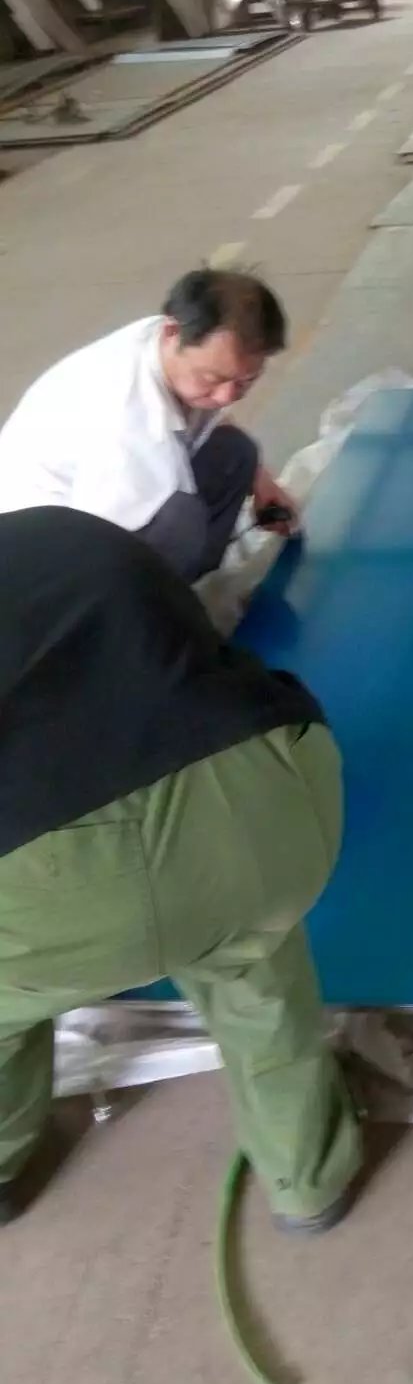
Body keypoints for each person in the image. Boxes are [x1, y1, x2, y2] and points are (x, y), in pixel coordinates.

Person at [0, 506, 361, 1233]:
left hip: (51, 895)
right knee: (254, 962)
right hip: (263, 809)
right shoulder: (61, 530)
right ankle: (307, 1179)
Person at [0, 269, 299, 584]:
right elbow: (100, 550)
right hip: (35, 557)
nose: (226, 396)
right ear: (172, 332)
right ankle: (166, 601)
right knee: (180, 519)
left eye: (245, 381)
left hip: (84, 515)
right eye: (212, 379)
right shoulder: (126, 422)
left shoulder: (164, 339)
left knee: (238, 452)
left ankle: (188, 582)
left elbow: (214, 416)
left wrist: (262, 481)